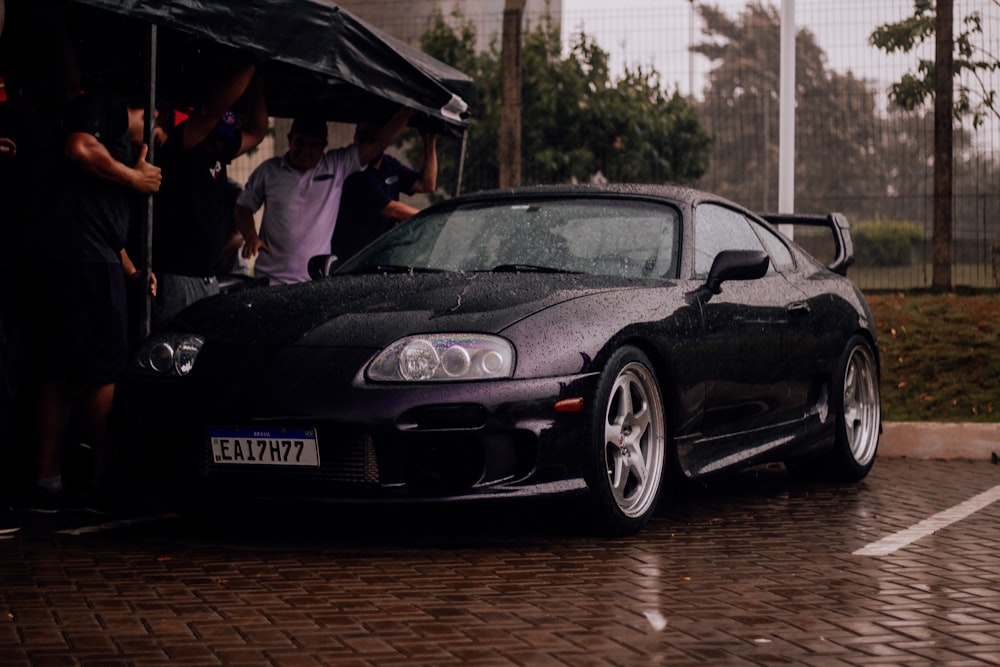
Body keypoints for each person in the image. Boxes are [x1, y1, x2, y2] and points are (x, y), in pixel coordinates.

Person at [26, 90, 161, 509]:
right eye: (156, 129)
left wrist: (133, 272)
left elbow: (101, 223)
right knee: (103, 372)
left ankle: (48, 478)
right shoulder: (104, 112)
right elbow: (79, 147)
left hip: (84, 257)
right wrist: (134, 178)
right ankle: (104, 478)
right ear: (147, 112)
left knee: (60, 370)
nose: (156, 138)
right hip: (81, 262)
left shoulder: (107, 164)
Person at [236, 106, 414, 285]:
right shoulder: (268, 171)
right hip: (269, 280)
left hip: (314, 281)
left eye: (313, 144)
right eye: (299, 142)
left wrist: (407, 110)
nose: (305, 150)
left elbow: (379, 143)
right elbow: (244, 205)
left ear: (324, 146)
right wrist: (250, 235)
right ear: (289, 139)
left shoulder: (336, 166)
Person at [150, 60, 266, 329]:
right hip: (177, 279)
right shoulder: (181, 148)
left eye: (224, 138)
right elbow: (213, 111)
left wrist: (259, 77)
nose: (218, 142)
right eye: (214, 135)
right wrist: (252, 62)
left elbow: (258, 132)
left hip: (208, 277)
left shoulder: (219, 152)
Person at [332, 127, 437, 260]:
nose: (367, 144)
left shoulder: (388, 164)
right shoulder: (354, 173)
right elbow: (391, 209)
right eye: (362, 137)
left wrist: (430, 143)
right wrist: (433, 219)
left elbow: (426, 184)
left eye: (372, 138)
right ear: (355, 139)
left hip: (381, 254)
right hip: (352, 259)